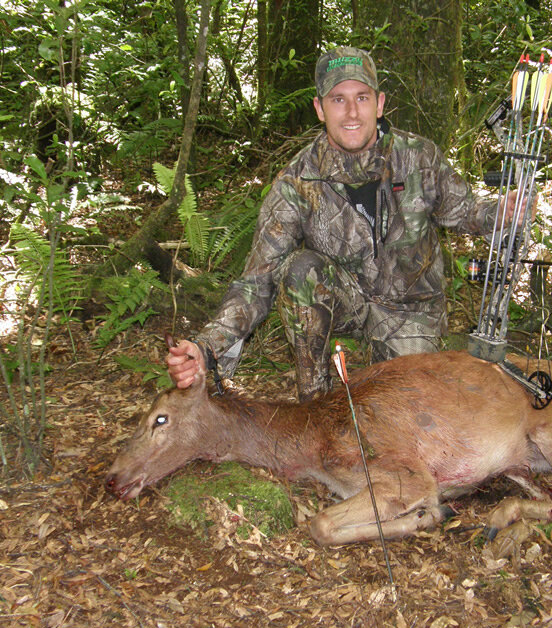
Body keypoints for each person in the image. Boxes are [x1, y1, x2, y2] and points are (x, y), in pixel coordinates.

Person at [168, 46, 531, 400]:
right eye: (338, 100)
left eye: (362, 97)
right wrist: (206, 346)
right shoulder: (297, 180)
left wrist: (502, 212)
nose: (352, 112)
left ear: (381, 103)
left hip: (409, 310)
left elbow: (465, 211)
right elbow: (256, 281)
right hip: (347, 301)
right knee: (300, 272)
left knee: (412, 413)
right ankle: (317, 408)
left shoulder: (418, 157)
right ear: (319, 109)